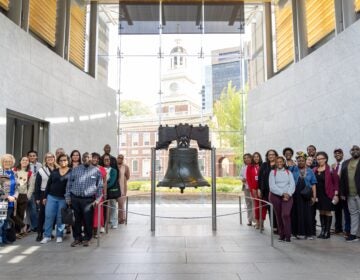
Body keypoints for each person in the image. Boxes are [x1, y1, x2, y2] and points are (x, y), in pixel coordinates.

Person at [65, 152, 103, 247]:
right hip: (75, 198)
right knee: (76, 220)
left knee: (87, 220)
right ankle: (77, 238)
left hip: (88, 200)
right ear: (82, 159)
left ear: (91, 159)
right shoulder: (75, 170)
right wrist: (68, 197)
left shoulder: (97, 171)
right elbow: (69, 184)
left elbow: (99, 187)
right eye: (85, 157)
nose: (87, 159)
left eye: (89, 157)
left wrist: (97, 200)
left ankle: (87, 238)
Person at [40, 154, 71, 244]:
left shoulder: (71, 171)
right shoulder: (54, 171)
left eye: (65, 160)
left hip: (63, 198)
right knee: (49, 216)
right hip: (51, 197)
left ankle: (59, 235)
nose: (63, 162)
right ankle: (47, 236)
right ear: (58, 161)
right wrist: (45, 197)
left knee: (60, 218)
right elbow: (48, 185)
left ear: (68, 161)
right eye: (61, 160)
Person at [291, 152, 317, 239]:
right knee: (296, 213)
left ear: (305, 161)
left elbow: (313, 184)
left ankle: (309, 234)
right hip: (296, 195)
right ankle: (296, 233)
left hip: (306, 195)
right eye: (299, 161)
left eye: (302, 160)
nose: (301, 162)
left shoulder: (310, 171)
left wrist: (314, 196)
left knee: (307, 214)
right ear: (297, 161)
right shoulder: (293, 169)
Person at [269, 156, 295, 242]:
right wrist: (282, 193)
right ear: (275, 163)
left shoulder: (289, 172)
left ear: (284, 162)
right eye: (277, 162)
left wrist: (288, 193)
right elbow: (272, 186)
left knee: (285, 214)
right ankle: (281, 235)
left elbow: (292, 185)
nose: (279, 163)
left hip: (288, 196)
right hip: (275, 196)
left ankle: (288, 235)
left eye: (281, 161)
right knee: (279, 215)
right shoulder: (273, 172)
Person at [313, 151, 339, 239]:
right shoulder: (315, 170)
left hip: (328, 194)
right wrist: (314, 195)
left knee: (327, 211)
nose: (319, 160)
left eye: (321, 159)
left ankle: (327, 232)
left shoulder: (331, 169)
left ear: (326, 159)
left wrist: (336, 194)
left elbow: (336, 183)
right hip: (318, 195)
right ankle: (323, 231)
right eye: (318, 159)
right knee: (321, 211)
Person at [34, 153, 57, 241]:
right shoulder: (41, 170)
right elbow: (37, 185)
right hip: (43, 194)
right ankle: (40, 233)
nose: (50, 159)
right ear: (45, 159)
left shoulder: (58, 169)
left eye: (51, 157)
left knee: (53, 215)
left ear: (54, 158)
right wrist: (37, 198)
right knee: (42, 215)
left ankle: (49, 232)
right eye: (48, 157)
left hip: (55, 194)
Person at [340, 145, 360, 242]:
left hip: (359, 193)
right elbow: (342, 179)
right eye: (353, 149)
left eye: (357, 149)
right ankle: (353, 234)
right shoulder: (345, 163)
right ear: (350, 151)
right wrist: (342, 192)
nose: (355, 151)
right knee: (353, 214)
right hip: (350, 194)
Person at [258, 149, 278, 233]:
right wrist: (259, 189)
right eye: (269, 154)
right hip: (266, 191)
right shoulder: (264, 165)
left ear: (276, 155)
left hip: (277, 191)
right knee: (270, 209)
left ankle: (279, 227)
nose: (271, 156)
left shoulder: (279, 164)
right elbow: (260, 178)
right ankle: (273, 227)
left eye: (273, 154)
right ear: (267, 156)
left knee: (277, 209)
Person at [331, 148, 350, 236]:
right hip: (336, 192)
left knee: (346, 211)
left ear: (342, 154)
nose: (337, 154)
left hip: (344, 191)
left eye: (339, 153)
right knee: (337, 211)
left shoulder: (346, 164)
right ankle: (338, 229)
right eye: (335, 153)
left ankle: (347, 230)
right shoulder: (333, 165)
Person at [13, 156, 33, 238]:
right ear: (20, 161)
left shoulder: (30, 173)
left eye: (26, 160)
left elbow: (31, 186)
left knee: (21, 214)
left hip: (23, 195)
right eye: (23, 160)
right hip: (14, 194)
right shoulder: (14, 170)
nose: (25, 161)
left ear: (28, 162)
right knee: (13, 213)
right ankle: (23, 225)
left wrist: (28, 196)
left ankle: (17, 232)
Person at [0, 154, 18, 245]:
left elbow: (17, 188)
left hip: (11, 202)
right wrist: (7, 197)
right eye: (5, 161)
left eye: (9, 161)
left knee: (6, 221)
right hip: (2, 201)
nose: (7, 163)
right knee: (1, 221)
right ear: (2, 162)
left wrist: (14, 196)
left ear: (12, 163)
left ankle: (4, 238)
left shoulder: (13, 173)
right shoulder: (0, 172)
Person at [246, 152, 266, 230]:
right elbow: (249, 179)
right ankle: (257, 223)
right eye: (254, 157)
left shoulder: (263, 166)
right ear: (252, 158)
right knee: (257, 207)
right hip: (254, 190)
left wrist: (261, 189)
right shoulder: (250, 167)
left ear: (259, 157)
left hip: (262, 190)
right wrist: (253, 189)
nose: (256, 158)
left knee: (263, 207)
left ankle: (262, 223)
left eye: (257, 156)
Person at [91, 152, 107, 237]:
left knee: (98, 212)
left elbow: (104, 182)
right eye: (94, 158)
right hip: (89, 194)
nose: (95, 159)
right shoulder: (87, 168)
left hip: (99, 193)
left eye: (97, 158)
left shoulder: (102, 169)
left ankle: (96, 230)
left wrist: (105, 193)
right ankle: (89, 230)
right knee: (90, 212)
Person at [26, 150, 42, 233]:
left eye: (34, 155)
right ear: (28, 157)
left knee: (38, 208)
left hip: (39, 189)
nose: (32, 157)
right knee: (32, 208)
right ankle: (35, 226)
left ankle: (37, 225)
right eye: (30, 156)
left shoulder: (40, 165)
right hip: (30, 189)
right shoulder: (26, 165)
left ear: (36, 157)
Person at [103, 154, 119, 229]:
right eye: (105, 159)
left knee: (113, 206)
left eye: (108, 159)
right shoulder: (100, 169)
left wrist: (103, 187)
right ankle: (103, 223)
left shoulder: (114, 170)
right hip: (102, 192)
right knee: (102, 208)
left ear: (110, 161)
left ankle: (114, 222)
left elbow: (112, 182)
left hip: (111, 191)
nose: (106, 161)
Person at [239, 153, 254, 226]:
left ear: (251, 158)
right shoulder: (243, 167)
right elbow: (240, 175)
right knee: (248, 204)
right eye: (245, 158)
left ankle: (255, 220)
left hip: (253, 188)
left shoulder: (254, 167)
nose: (246, 159)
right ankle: (250, 220)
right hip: (246, 187)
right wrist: (242, 179)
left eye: (248, 157)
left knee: (254, 203)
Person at [117, 154, 130, 224]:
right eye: (119, 158)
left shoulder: (126, 167)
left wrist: (123, 179)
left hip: (123, 187)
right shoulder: (114, 166)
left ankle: (122, 218)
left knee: (121, 204)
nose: (120, 159)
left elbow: (128, 176)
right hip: (115, 188)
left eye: (121, 158)